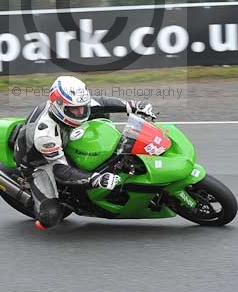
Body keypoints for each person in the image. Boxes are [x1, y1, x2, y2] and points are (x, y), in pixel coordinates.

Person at [14, 74, 156, 230]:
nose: (81, 112)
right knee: (51, 216)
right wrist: (95, 179)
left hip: (63, 138)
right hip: (39, 162)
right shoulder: (45, 135)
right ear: (59, 106)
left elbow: (101, 102)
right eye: (74, 110)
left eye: (83, 107)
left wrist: (134, 106)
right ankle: (38, 203)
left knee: (100, 112)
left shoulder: (71, 105)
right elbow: (61, 170)